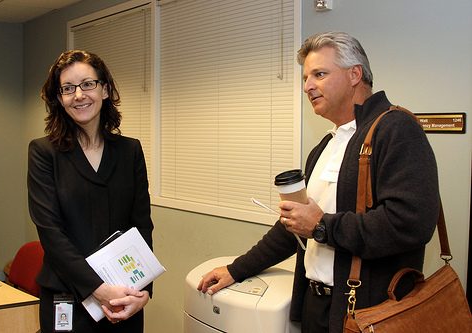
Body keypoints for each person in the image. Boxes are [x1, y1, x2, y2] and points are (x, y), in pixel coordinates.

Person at [198, 31, 440, 333]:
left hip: (367, 312)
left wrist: (322, 226)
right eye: (305, 78)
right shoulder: (324, 146)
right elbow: (294, 228)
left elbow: (411, 223)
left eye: (319, 74)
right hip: (317, 308)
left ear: (355, 74)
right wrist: (237, 269)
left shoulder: (396, 128)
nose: (307, 86)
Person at [28, 50, 154, 332]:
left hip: (125, 296)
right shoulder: (44, 152)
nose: (79, 95)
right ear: (59, 99)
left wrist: (144, 290)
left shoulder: (129, 150)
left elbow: (142, 226)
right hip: (68, 296)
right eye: (68, 88)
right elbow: (50, 233)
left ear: (105, 90)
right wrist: (98, 289)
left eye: (88, 84)